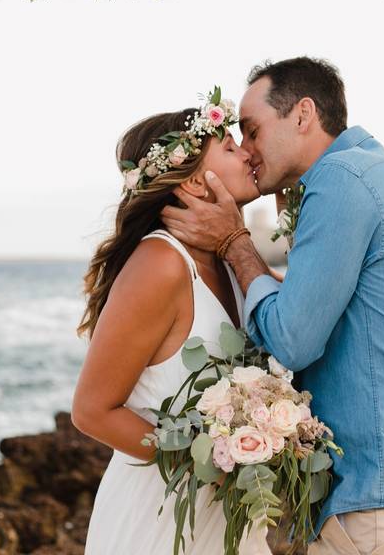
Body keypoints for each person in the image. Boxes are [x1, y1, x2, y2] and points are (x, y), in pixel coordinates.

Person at [162, 57, 384, 554]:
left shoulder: (343, 180)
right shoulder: (370, 173)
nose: (249, 150)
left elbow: (294, 340)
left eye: (253, 130)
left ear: (302, 115)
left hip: (375, 501)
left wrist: (236, 243)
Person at [72, 104, 271, 554]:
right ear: (196, 181)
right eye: (229, 146)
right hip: (160, 522)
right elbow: (91, 411)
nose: (246, 155)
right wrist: (208, 461)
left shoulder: (230, 260)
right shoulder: (161, 264)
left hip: (226, 517)